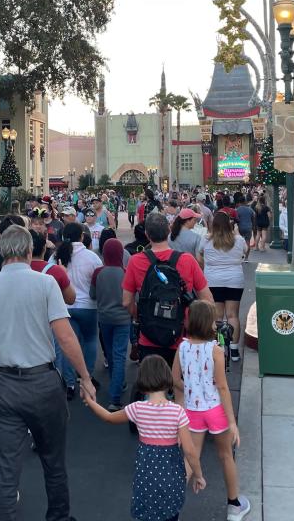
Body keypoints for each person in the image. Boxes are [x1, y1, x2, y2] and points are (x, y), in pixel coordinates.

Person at [0, 225, 95, 521]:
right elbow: (65, 337)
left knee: (7, 468)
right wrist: (85, 377)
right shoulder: (45, 283)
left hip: (4, 384)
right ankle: (59, 517)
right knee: (54, 461)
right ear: (28, 251)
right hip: (42, 383)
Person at [81, 356, 204, 521]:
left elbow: (109, 417)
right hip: (171, 476)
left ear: (142, 381)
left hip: (146, 475)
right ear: (167, 378)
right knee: (170, 511)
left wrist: (90, 401)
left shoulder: (137, 408)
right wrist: (198, 475)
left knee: (146, 512)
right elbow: (189, 450)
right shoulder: (177, 412)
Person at [172, 300, 250, 520]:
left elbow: (174, 378)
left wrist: (188, 390)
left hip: (193, 411)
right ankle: (234, 505)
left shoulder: (182, 346)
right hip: (215, 410)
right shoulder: (215, 350)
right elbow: (222, 387)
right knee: (226, 455)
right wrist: (232, 421)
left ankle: (172, 507)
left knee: (191, 457)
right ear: (209, 324)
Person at [121, 213, 214, 366]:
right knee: (181, 385)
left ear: (147, 235)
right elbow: (207, 299)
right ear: (169, 231)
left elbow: (126, 302)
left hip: (149, 336)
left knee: (153, 386)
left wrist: (140, 315)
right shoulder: (187, 260)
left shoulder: (135, 261)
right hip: (182, 335)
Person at [56, 222, 103, 400]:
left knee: (68, 345)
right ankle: (87, 377)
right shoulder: (92, 257)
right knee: (90, 340)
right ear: (82, 237)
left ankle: (69, 383)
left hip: (65, 307)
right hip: (88, 306)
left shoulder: (56, 257)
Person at [200, 211, 247, 362]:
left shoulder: (206, 240)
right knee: (233, 315)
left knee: (217, 316)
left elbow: (199, 255)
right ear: (230, 224)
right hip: (234, 280)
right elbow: (246, 252)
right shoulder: (238, 240)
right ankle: (234, 350)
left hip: (213, 280)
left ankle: (218, 347)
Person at [90, 238, 130, 410]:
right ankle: (115, 396)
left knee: (111, 354)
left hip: (104, 318)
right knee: (120, 354)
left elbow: (92, 295)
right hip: (123, 319)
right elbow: (132, 297)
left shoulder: (98, 272)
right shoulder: (126, 272)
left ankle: (117, 383)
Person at [29, 229, 76, 305]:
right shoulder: (56, 270)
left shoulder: (13, 270)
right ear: (44, 247)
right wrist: (64, 274)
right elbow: (70, 299)